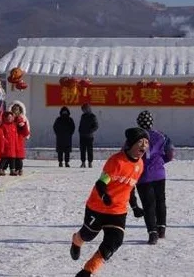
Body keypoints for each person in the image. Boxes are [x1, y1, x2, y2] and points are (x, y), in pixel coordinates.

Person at [70, 127, 149, 277]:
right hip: (97, 207)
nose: (144, 145)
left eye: (146, 142)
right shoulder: (116, 161)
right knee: (88, 236)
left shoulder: (140, 165)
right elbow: (101, 183)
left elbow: (130, 187)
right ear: (131, 143)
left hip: (118, 211)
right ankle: (76, 240)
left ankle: (87, 271)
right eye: (140, 142)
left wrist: (135, 206)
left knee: (115, 241)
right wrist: (105, 196)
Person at [135, 110, 175, 244]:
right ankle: (161, 229)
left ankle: (152, 233)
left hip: (142, 175)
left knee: (148, 205)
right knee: (160, 201)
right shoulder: (161, 136)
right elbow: (170, 154)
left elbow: (126, 154)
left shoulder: (134, 138)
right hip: (159, 173)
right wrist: (161, 161)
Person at [10, 101, 30, 175]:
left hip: (19, 139)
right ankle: (13, 169)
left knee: (19, 156)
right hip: (11, 139)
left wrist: (23, 125)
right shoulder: (9, 118)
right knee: (12, 156)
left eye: (17, 109)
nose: (15, 111)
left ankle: (20, 169)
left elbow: (26, 130)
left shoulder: (22, 118)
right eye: (14, 109)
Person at [78, 103, 99, 168]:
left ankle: (90, 162)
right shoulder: (83, 116)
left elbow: (96, 126)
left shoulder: (93, 116)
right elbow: (81, 124)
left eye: (85, 109)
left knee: (90, 150)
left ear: (88, 109)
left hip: (89, 136)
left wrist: (90, 131)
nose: (84, 110)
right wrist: (80, 130)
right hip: (82, 136)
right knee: (82, 150)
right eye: (83, 109)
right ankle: (83, 162)